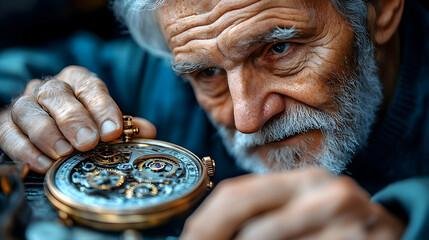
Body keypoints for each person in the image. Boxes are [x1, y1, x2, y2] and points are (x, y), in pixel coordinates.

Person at [0, 0, 428, 239]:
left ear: (380, 9)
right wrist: (28, 111)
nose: (246, 119)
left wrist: (409, 225)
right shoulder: (159, 74)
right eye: (207, 74)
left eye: (279, 49)